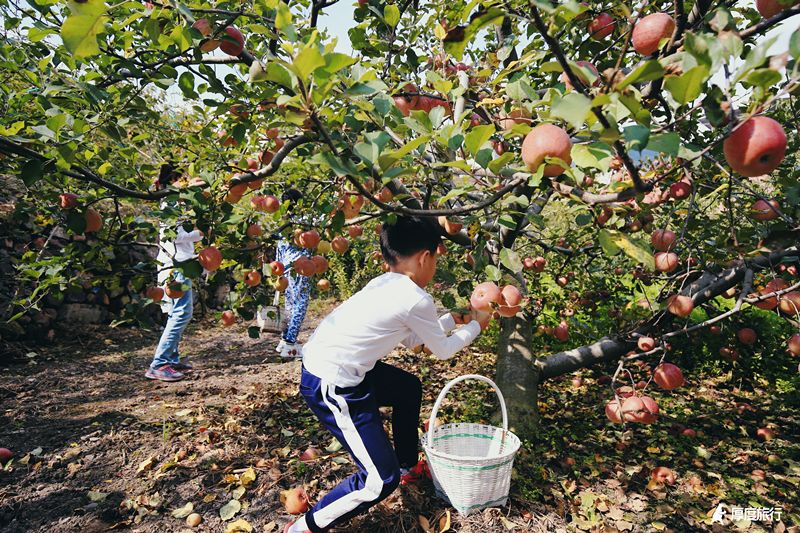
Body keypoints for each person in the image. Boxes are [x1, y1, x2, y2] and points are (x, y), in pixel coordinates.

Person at [284, 216, 491, 533]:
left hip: (340, 366)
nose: (434, 266)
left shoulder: (384, 283)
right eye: (435, 259)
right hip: (333, 383)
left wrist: (456, 318)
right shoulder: (416, 298)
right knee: (380, 479)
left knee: (407, 388)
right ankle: (306, 526)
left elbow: (414, 340)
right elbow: (443, 349)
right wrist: (478, 324)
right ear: (424, 257)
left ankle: (408, 465)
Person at [145, 164, 203, 382]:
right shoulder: (170, 202)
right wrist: (200, 234)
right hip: (176, 265)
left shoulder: (176, 201)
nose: (186, 181)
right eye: (183, 178)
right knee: (181, 313)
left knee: (177, 312)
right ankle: (158, 364)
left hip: (180, 263)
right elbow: (175, 236)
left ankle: (171, 358)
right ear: (174, 180)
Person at [274, 188, 313, 359]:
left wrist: (279, 270)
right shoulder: (303, 222)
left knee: (290, 303)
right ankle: (289, 342)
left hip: (286, 267)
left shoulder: (284, 224)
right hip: (302, 266)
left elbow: (279, 249)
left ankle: (285, 340)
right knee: (301, 303)